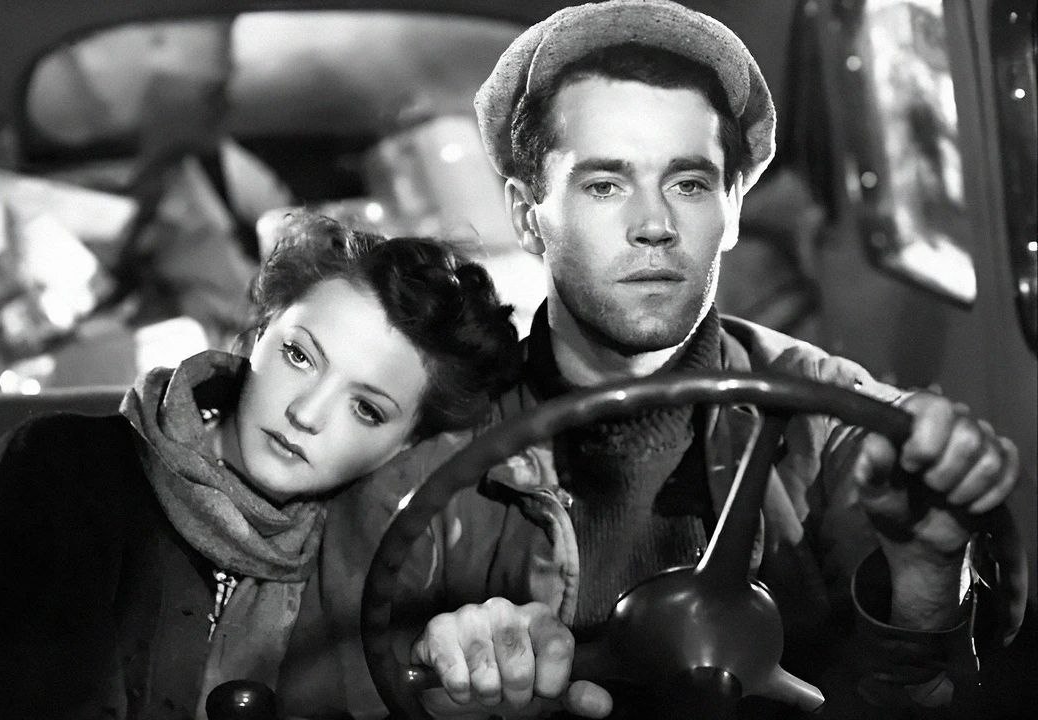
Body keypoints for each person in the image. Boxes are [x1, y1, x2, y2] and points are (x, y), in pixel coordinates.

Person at [286, 2, 1026, 719]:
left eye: (689, 183)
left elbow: (916, 700)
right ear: (526, 216)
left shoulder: (828, 417)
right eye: (605, 185)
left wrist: (925, 575)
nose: (654, 225)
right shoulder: (428, 442)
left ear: (733, 210)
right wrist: (450, 682)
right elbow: (334, 686)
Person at [0, 214, 521, 719]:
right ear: (259, 332)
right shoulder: (66, 466)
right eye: (299, 355)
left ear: (402, 445)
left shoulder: (359, 560)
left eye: (366, 409)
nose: (305, 414)